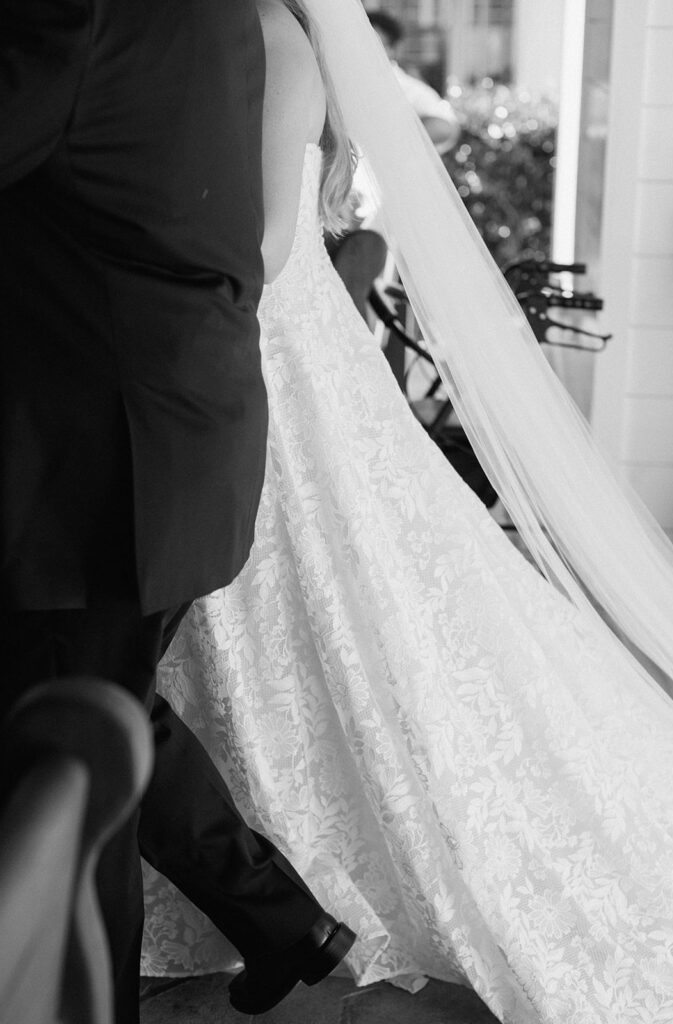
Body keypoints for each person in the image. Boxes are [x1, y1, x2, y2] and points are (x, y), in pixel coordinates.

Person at [143, 0, 673, 1020]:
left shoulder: (268, 33)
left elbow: (261, 244)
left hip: (267, 361)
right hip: (236, 358)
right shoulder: (229, 30)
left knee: (339, 611)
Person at [0, 1, 354, 1021]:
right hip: (160, 442)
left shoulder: (90, 14)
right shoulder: (208, 18)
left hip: (106, 465)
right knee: (97, 715)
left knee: (75, 756)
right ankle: (284, 923)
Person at [367, 9, 459, 155]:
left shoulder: (408, 88)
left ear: (393, 49)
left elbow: (444, 127)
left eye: (373, 43)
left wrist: (387, 144)